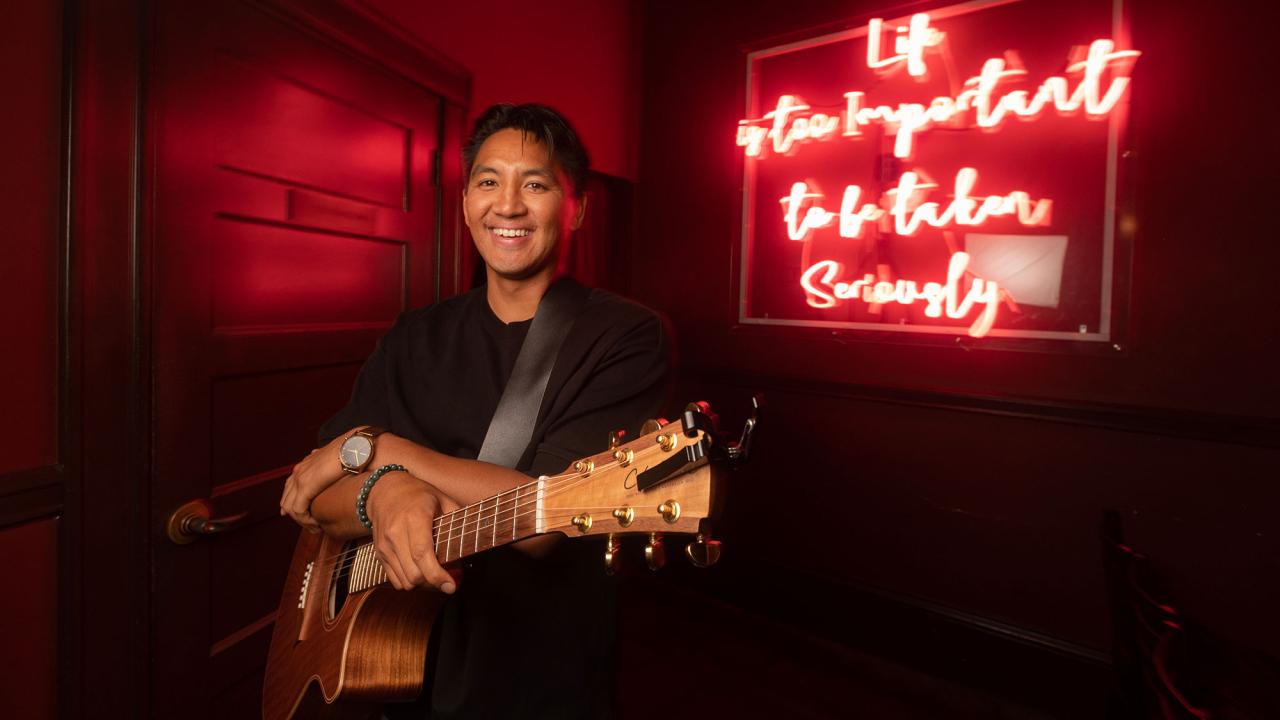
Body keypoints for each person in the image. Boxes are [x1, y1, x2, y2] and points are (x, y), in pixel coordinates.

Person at [279, 103, 671, 718]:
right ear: (466, 202)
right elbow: (313, 491)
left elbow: (544, 518)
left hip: (536, 670)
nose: (507, 205)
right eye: (488, 182)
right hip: (389, 654)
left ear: (578, 208)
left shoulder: (623, 335)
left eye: (535, 184)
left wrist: (386, 455)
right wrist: (384, 494)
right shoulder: (415, 335)